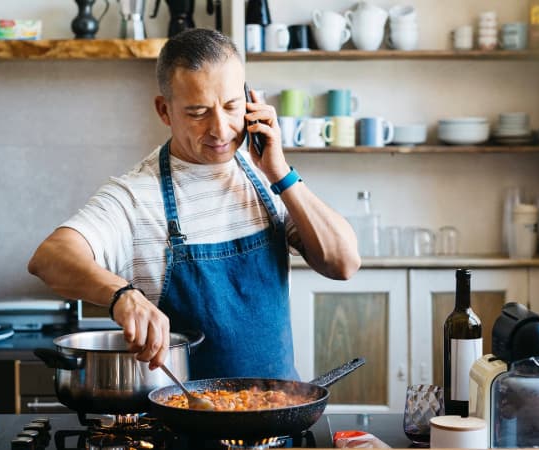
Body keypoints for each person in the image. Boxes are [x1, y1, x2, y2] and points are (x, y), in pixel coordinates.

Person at [27, 28, 360, 380]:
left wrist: (280, 173)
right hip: (183, 427)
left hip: (280, 419)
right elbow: (49, 257)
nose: (220, 129)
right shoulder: (136, 196)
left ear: (250, 100)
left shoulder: (266, 178)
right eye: (198, 112)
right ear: (164, 111)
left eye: (231, 106)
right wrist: (121, 295)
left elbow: (344, 263)